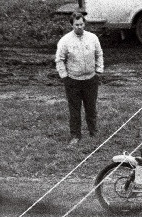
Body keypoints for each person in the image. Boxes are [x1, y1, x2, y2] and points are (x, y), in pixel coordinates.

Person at [55, 11, 104, 145]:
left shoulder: (93, 38)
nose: (79, 27)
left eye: (81, 24)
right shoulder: (65, 41)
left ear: (84, 23)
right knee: (75, 110)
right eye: (76, 25)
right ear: (72, 25)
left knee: (91, 108)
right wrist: (65, 77)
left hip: (91, 79)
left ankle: (93, 132)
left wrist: (99, 70)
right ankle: (75, 135)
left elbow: (99, 54)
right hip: (73, 81)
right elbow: (59, 60)